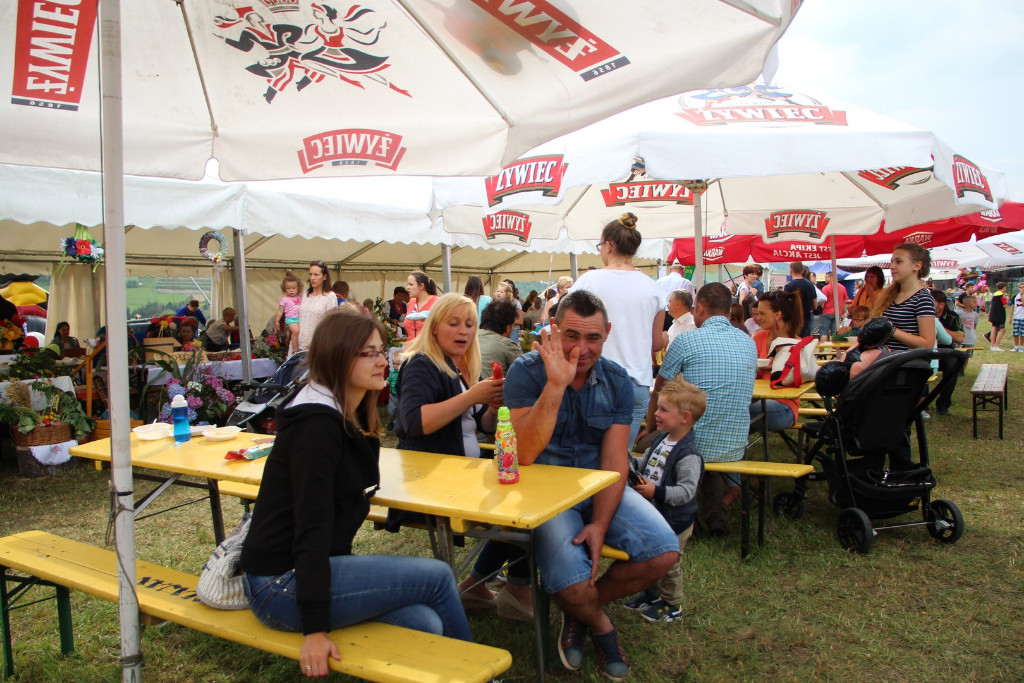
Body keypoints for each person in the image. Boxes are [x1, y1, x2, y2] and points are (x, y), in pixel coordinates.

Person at [239, 310, 472, 678]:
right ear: (339, 357)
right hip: (280, 584)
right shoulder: (316, 426)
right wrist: (316, 630)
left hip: (305, 572)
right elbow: (311, 529)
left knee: (424, 621)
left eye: (383, 351)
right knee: (439, 577)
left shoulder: (348, 411)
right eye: (370, 353)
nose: (384, 362)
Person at [503, 290, 679, 678]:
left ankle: (579, 609)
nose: (582, 349)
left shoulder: (616, 380)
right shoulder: (527, 372)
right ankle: (598, 622)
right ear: (554, 330)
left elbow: (615, 462)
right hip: (546, 496)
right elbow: (524, 454)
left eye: (593, 338)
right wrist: (555, 385)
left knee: (664, 552)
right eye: (571, 336)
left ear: (608, 333)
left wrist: (600, 524)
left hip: (599, 485)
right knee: (570, 582)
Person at [392, 294, 529, 620]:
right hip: (429, 483)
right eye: (453, 323)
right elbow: (414, 422)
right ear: (434, 328)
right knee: (520, 513)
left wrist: (493, 408)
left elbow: (483, 424)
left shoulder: (460, 366)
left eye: (469, 324)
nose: (463, 330)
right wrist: (472, 396)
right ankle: (509, 590)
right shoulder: (421, 363)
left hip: (462, 477)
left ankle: (482, 587)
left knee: (524, 508)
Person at [645, 283, 757, 537]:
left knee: (658, 443)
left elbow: (659, 392)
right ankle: (714, 514)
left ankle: (684, 513)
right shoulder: (748, 342)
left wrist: (650, 429)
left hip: (692, 443)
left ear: (701, 308)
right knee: (706, 453)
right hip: (735, 444)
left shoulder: (687, 340)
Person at [571, 213, 666, 445]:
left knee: (589, 453)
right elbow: (656, 344)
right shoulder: (654, 288)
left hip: (595, 377)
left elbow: (569, 330)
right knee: (621, 456)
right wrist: (664, 337)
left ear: (609, 245)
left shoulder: (588, 281)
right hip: (637, 382)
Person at [623, 378, 705, 624]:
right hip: (656, 516)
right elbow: (645, 464)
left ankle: (673, 604)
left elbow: (686, 492)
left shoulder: (688, 455)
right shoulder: (660, 439)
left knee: (669, 563)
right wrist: (627, 459)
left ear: (685, 417)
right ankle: (651, 594)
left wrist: (655, 492)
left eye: (663, 410)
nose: (656, 414)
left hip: (676, 521)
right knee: (651, 557)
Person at [749, 291, 804, 432]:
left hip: (784, 406)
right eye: (756, 314)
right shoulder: (759, 337)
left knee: (737, 411)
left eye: (762, 314)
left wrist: (778, 368)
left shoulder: (796, 344)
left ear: (778, 315)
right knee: (728, 407)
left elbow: (800, 380)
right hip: (758, 398)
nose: (757, 318)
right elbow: (751, 374)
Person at [871, 243, 935, 353]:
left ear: (917, 266)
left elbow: (928, 344)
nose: (892, 266)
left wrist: (892, 330)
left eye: (899, 261)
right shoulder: (891, 294)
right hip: (885, 359)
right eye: (892, 262)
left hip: (906, 361)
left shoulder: (923, 298)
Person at [932, 289, 964, 416]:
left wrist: (940, 329)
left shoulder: (952, 316)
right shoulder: (922, 314)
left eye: (932, 302)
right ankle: (921, 404)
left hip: (946, 351)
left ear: (942, 305)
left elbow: (960, 338)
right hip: (928, 350)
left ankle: (943, 404)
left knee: (953, 365)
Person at [298, 261, 338, 351]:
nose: (312, 278)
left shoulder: (330, 296)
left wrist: (317, 342)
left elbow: (331, 324)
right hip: (299, 345)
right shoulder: (305, 294)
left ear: (324, 277)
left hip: (317, 346)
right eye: (310, 274)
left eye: (316, 275)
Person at [476, 299, 522, 378]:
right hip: (490, 386)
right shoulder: (508, 346)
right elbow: (526, 374)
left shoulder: (471, 337)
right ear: (508, 328)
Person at [784, 262, 817, 337]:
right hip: (807, 319)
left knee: (795, 342)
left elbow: (785, 306)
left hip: (794, 320)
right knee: (806, 342)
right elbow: (815, 306)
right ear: (802, 271)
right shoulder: (810, 285)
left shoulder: (789, 286)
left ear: (791, 270)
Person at [403, 270, 438, 341]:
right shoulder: (411, 303)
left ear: (421, 286)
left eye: (411, 285)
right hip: (410, 346)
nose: (407, 287)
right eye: (407, 285)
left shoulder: (436, 302)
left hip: (428, 346)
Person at [818, 271, 849, 341]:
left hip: (826, 313)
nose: (825, 279)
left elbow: (823, 301)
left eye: (826, 277)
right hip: (838, 313)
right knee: (835, 333)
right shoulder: (843, 288)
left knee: (824, 333)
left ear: (831, 277)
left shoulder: (825, 288)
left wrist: (820, 311)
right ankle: (835, 346)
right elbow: (844, 301)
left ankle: (823, 347)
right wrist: (843, 312)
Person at [277, 272, 303, 355]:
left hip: (300, 318)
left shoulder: (300, 296)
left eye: (293, 288)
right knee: (296, 331)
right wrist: (277, 321)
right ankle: (295, 349)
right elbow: (280, 311)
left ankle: (301, 346)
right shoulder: (284, 299)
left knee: (301, 332)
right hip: (291, 319)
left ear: (298, 288)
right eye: (288, 288)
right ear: (284, 289)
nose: (291, 290)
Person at [986, 281, 1008, 351]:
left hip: (993, 314)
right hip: (1000, 315)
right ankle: (996, 345)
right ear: (1004, 288)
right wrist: (1007, 300)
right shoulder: (1002, 295)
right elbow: (1005, 305)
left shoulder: (994, 294)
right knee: (1002, 330)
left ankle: (992, 345)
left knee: (994, 329)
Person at [1012, 283, 1024, 352]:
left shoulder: (1022, 296)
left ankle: (1021, 346)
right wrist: (1011, 317)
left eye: (1023, 287)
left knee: (1022, 333)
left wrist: (1022, 296)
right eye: (1020, 287)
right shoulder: (1015, 296)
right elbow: (1013, 307)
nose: (1022, 288)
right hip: (1016, 316)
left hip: (1023, 317)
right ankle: (1016, 346)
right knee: (1015, 333)